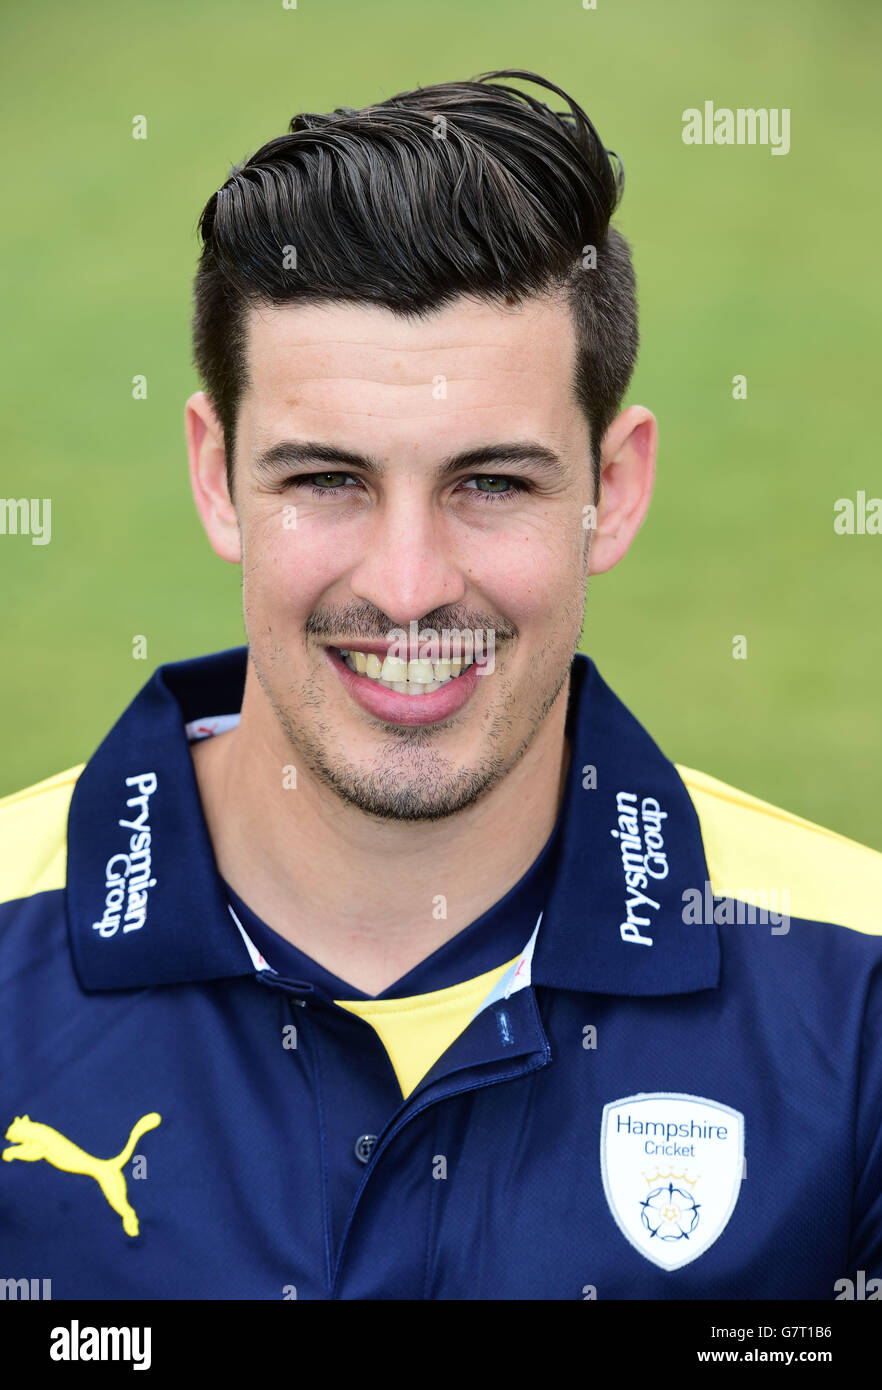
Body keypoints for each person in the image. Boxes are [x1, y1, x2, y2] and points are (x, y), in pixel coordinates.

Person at [1, 69, 880, 1302]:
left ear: (611, 491)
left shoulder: (857, 988)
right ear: (216, 477)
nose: (409, 588)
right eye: (326, 479)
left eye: (494, 484)